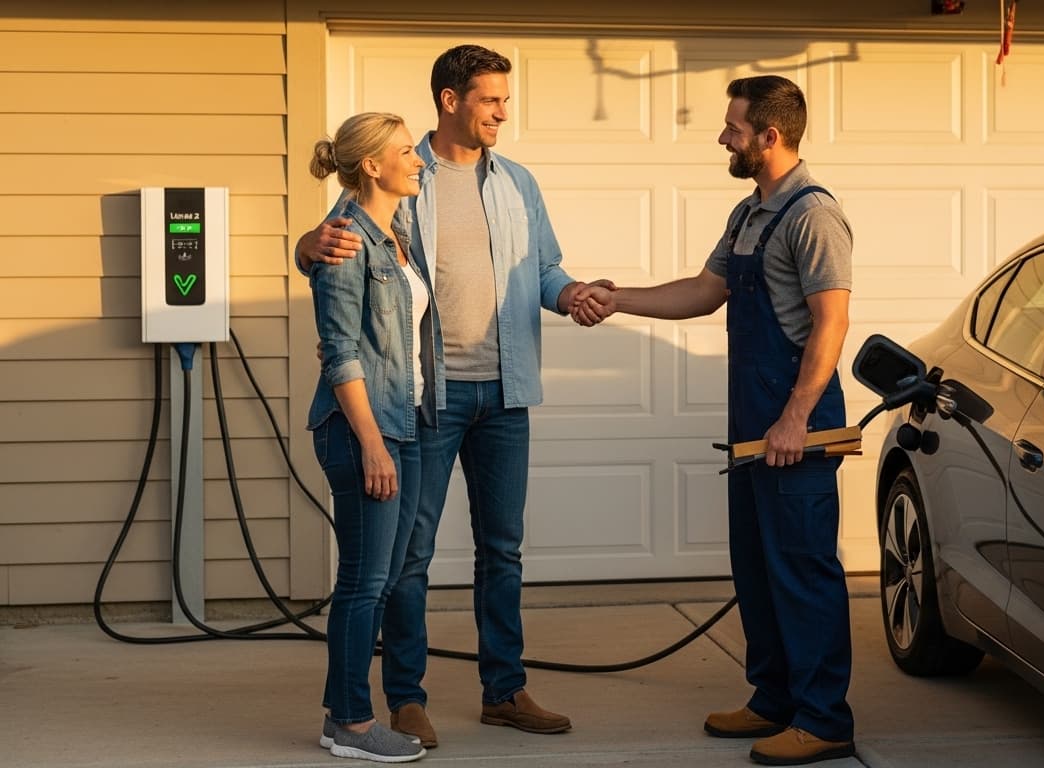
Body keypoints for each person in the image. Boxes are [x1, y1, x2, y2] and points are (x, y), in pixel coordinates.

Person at [296, 44, 606, 746]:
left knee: (504, 550)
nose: (503, 111)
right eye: (491, 99)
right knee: (409, 555)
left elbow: (546, 269)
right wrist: (306, 244)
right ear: (450, 99)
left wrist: (573, 295)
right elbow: (340, 248)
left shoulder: (517, 183)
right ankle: (405, 698)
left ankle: (505, 689)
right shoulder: (406, 173)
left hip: (507, 391)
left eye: (505, 98)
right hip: (426, 397)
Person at [570, 75, 856, 766]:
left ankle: (824, 718)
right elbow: (707, 291)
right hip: (752, 425)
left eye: (732, 128)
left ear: (770, 135)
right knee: (757, 568)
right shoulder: (750, 213)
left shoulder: (813, 215)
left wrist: (795, 419)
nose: (722, 138)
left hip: (795, 427)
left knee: (803, 570)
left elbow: (831, 321)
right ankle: (773, 699)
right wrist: (619, 298)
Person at [306, 112, 435, 764]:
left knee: (374, 580)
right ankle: (353, 726)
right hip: (364, 430)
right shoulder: (346, 241)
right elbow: (341, 354)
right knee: (363, 582)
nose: (420, 159)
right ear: (374, 166)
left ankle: (341, 716)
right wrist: (373, 445)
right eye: (407, 151)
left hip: (399, 422)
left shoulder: (392, 233)